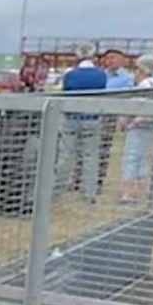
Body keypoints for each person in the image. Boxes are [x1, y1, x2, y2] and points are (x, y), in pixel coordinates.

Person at [59, 43, 108, 200]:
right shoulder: (101, 75)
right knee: (90, 156)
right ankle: (89, 193)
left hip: (72, 118)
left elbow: (65, 93)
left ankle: (57, 189)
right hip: (92, 118)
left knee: (66, 155)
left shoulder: (70, 75)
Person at [120, 54, 153, 203]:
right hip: (149, 126)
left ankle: (127, 194)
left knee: (130, 158)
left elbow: (137, 106)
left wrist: (127, 121)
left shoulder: (144, 85)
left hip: (137, 126)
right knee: (142, 159)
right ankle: (142, 193)